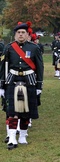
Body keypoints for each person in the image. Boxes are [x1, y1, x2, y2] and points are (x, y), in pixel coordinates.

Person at [0, 22, 44, 150]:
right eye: (18, 33)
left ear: (27, 34)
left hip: (29, 80)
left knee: (26, 111)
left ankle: (23, 136)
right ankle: (12, 138)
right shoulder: (8, 48)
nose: (20, 35)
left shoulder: (34, 48)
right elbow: (2, 67)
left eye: (23, 32)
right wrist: (1, 86)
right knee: (12, 111)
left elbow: (40, 68)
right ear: (15, 35)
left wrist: (39, 86)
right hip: (12, 80)